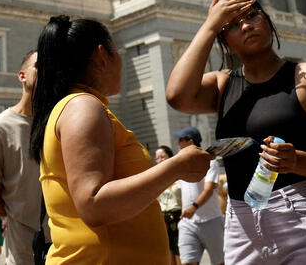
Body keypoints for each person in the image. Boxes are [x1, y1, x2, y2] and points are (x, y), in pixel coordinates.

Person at [167, 0, 306, 264]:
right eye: (233, 25)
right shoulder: (223, 85)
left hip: (298, 215)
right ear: (226, 41)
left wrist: (298, 160)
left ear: (267, 22)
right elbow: (177, 96)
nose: (246, 26)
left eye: (251, 16)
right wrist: (210, 25)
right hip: (240, 225)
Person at [28, 16, 212, 264]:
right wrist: (176, 167)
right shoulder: (83, 107)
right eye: (118, 51)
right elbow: (93, 204)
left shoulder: (78, 107)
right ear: (102, 55)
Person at [0, 50, 40, 265]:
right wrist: (25, 213)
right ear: (22, 76)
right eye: (40, 66)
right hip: (25, 254)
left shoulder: (65, 122)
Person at [173, 127, 224, 265]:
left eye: (180, 140)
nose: (177, 143)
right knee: (188, 262)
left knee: (220, 262)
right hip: (187, 223)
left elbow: (208, 190)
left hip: (211, 220)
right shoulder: (179, 163)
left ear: (190, 142)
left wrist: (193, 207)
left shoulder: (210, 161)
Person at [152, 146, 181, 265]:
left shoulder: (179, 174)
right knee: (168, 252)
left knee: (180, 251)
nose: (160, 160)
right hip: (164, 218)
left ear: (169, 156)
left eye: (162, 157)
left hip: (179, 216)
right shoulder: (155, 177)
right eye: (157, 158)